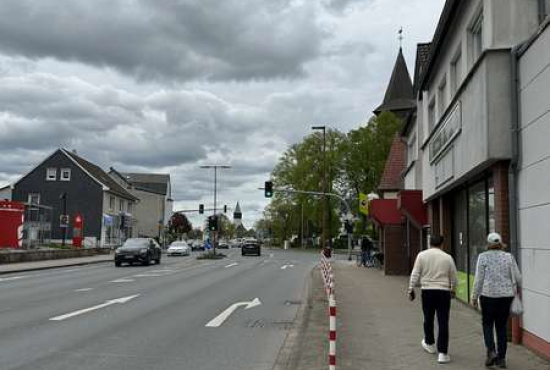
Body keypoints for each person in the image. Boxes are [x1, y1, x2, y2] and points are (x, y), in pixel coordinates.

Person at [471, 232, 521, 369]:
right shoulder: (509, 257)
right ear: (500, 243)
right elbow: (518, 278)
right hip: (506, 297)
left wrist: (474, 297)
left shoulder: (483, 257)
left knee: (487, 324)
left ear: (488, 244)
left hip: (488, 296)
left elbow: (479, 279)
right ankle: (502, 359)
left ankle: (491, 351)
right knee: (501, 327)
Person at [408, 235, 457, 364]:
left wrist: (411, 288)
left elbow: (415, 273)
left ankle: (429, 343)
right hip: (443, 292)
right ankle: (443, 353)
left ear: (430, 243)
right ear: (442, 243)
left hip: (427, 291)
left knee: (428, 318)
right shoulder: (447, 258)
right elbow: (454, 277)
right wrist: (453, 289)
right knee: (443, 321)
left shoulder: (422, 255)